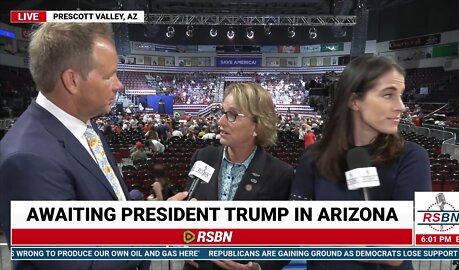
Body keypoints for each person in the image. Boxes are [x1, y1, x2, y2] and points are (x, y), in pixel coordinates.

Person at [0, 23, 187, 270]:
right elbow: (78, 263)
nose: (119, 85)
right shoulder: (28, 159)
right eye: (108, 76)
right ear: (72, 81)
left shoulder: (84, 124)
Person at [290, 55, 431, 270]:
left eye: (400, 96)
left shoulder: (412, 157)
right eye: (388, 95)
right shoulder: (313, 158)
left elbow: (398, 250)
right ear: (354, 101)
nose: (402, 106)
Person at [184, 82, 294, 270]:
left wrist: (259, 266)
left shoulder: (280, 174)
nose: (220, 121)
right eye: (222, 112)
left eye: (232, 115)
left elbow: (288, 240)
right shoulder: (204, 158)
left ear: (257, 125)